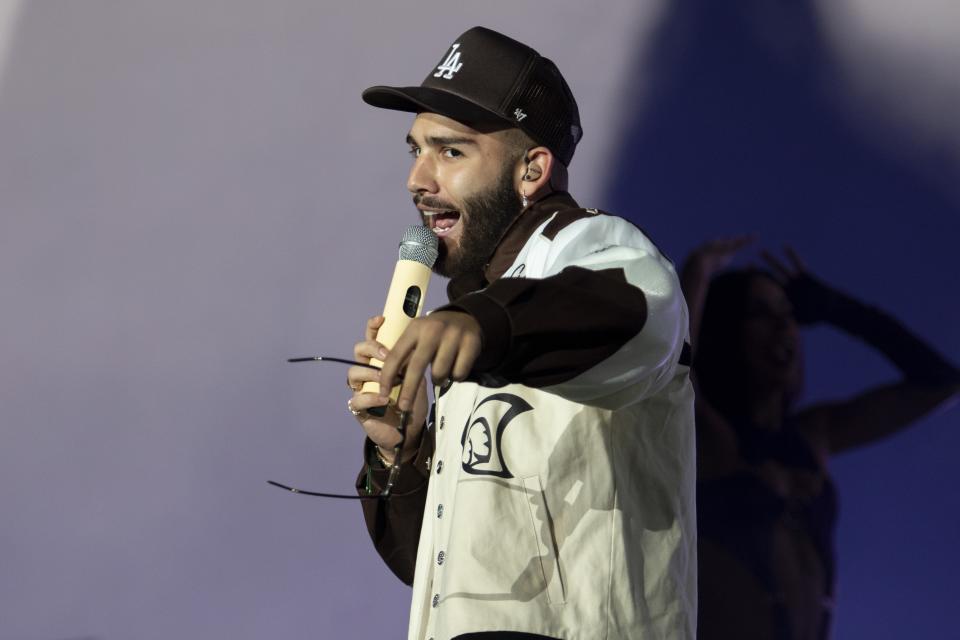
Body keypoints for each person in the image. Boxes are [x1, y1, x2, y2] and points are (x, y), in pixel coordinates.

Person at [344, 27, 696, 640]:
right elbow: (434, 571)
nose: (417, 181)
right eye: (415, 151)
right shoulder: (476, 314)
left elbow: (641, 315)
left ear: (532, 169)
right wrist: (401, 451)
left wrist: (486, 324)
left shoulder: (594, 248)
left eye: (450, 152)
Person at [681, 238, 960, 640]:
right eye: (761, 313)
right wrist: (699, 272)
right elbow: (675, 378)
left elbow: (940, 384)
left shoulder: (814, 435)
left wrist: (833, 307)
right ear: (727, 332)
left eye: (789, 314)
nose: (783, 326)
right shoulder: (703, 430)